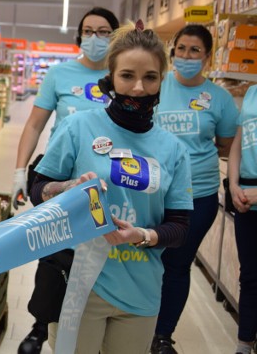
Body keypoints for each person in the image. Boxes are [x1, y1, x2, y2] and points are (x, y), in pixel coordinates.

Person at [30, 22, 193, 354]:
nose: (138, 87)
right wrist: (68, 187)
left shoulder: (173, 149)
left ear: (162, 79)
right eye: (127, 75)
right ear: (111, 77)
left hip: (141, 290)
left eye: (149, 77)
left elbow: (179, 227)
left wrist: (143, 236)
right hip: (78, 284)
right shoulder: (78, 127)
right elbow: (39, 190)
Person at [12, 7, 119, 353]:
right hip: (61, 179)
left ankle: (95, 321)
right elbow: (34, 124)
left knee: (101, 251)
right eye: (88, 31)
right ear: (79, 36)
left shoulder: (122, 76)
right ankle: (41, 324)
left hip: (108, 178)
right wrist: (19, 170)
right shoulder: (59, 75)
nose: (94, 38)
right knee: (54, 251)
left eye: (104, 32)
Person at [150, 24, 239, 353]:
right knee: (147, 258)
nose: (186, 56)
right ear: (172, 52)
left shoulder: (221, 98)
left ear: (207, 56)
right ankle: (137, 321)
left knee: (177, 263)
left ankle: (162, 335)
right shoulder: (156, 85)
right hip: (153, 190)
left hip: (198, 194)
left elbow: (226, 144)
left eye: (194, 51)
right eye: (181, 49)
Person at [228, 84, 257, 354]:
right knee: (249, 275)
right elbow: (239, 140)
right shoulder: (252, 94)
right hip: (246, 195)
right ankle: (244, 342)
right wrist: (233, 184)